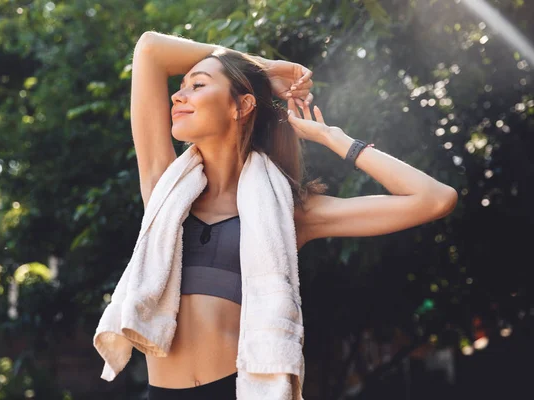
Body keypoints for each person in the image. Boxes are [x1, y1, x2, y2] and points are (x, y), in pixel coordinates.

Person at [130, 31, 458, 400]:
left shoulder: (288, 211)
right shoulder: (165, 189)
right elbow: (150, 49)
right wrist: (264, 66)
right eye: (182, 86)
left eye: (198, 84)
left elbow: (435, 199)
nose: (178, 94)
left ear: (241, 105)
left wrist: (332, 136)